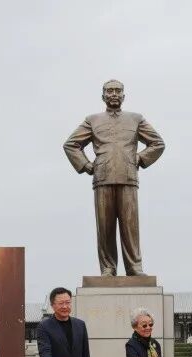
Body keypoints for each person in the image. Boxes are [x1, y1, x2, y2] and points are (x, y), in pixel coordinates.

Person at [63, 79, 165, 276]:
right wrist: (85, 165)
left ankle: (134, 267)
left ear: (124, 96)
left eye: (118, 91)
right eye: (109, 91)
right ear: (103, 96)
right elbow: (71, 144)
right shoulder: (92, 120)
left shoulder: (136, 119)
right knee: (105, 227)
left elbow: (157, 143)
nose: (114, 94)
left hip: (128, 177)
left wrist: (140, 158)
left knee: (130, 226)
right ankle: (108, 267)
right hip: (102, 178)